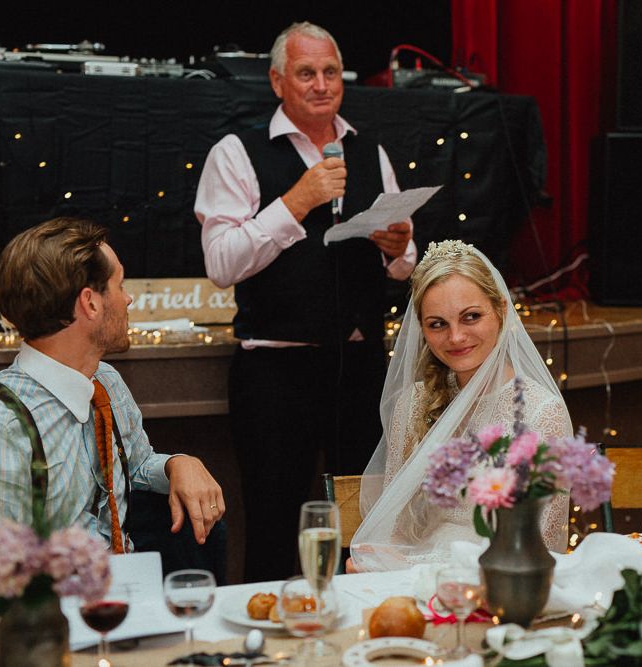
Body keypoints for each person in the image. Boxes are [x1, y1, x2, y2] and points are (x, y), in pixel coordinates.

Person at [194, 21, 417, 582]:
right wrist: (295, 202)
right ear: (277, 81)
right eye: (306, 73)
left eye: (330, 72)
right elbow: (221, 263)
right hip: (275, 370)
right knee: (273, 526)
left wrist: (397, 247)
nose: (321, 84)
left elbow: (405, 260)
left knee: (364, 527)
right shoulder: (237, 152)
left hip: (360, 366)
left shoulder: (369, 149)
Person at [0, 217, 225, 553]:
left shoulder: (105, 381)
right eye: (120, 285)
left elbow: (134, 467)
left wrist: (177, 464)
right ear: (90, 302)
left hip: (126, 591)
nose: (128, 300)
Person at [349, 239, 573, 571]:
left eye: (470, 317)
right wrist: (380, 561)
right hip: (414, 585)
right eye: (437, 323)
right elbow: (394, 527)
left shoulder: (542, 415)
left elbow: (538, 545)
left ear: (501, 310)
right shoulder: (413, 403)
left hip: (496, 587)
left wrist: (419, 568)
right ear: (422, 328)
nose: (455, 337)